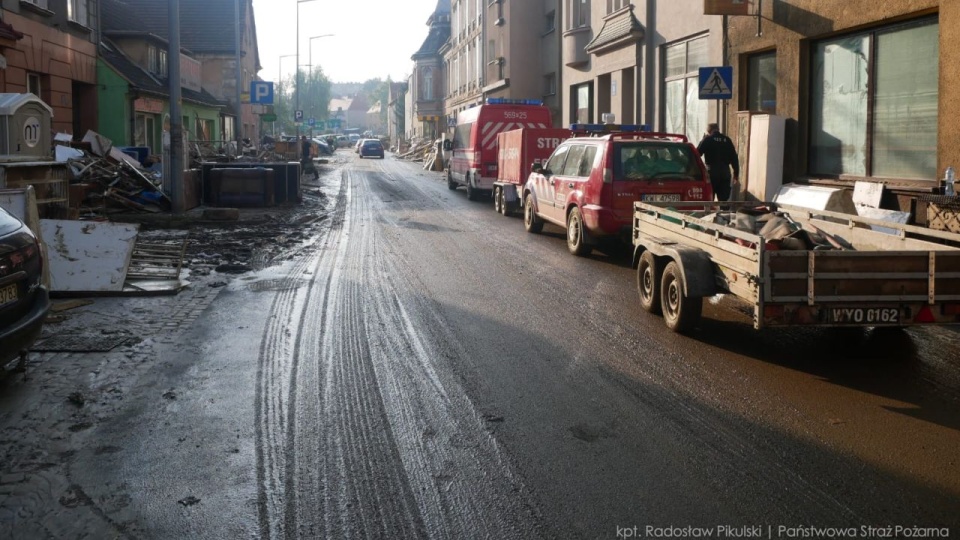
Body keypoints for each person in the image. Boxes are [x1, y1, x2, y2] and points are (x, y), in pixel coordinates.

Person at [696, 123, 740, 201]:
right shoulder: (727, 140)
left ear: (709, 131)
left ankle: (711, 212)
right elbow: (734, 157)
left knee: (710, 198)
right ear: (718, 129)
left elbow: (697, 153)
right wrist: (736, 174)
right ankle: (724, 211)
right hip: (725, 172)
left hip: (711, 172)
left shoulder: (708, 139)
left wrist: (702, 140)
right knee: (723, 200)